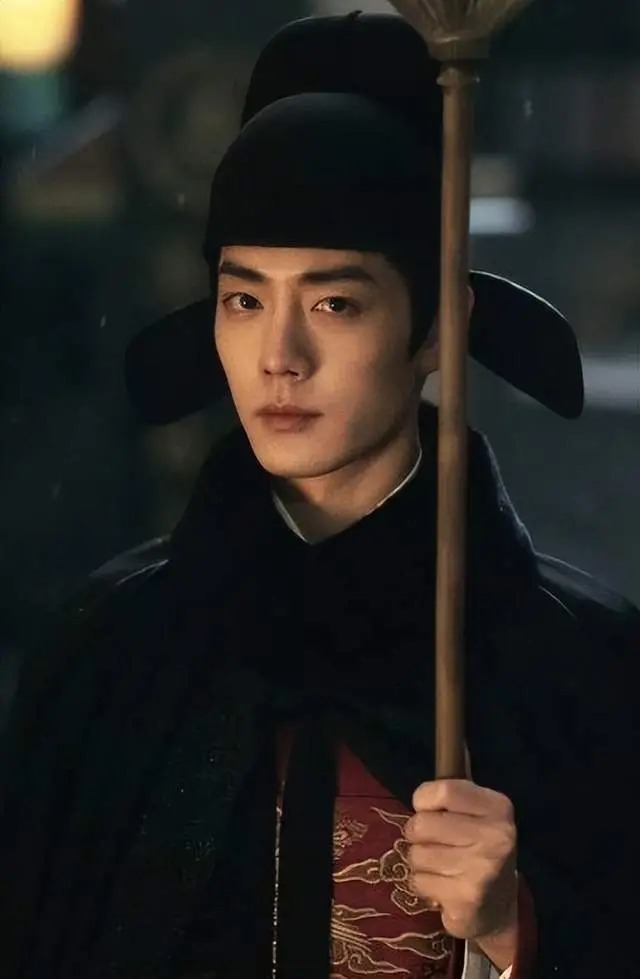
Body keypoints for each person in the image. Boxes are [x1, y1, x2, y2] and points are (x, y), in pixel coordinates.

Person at [1, 13, 638, 979]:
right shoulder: (110, 656)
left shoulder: (581, 666)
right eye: (245, 299)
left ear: (439, 327)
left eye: (335, 303)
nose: (280, 356)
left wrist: (515, 933)